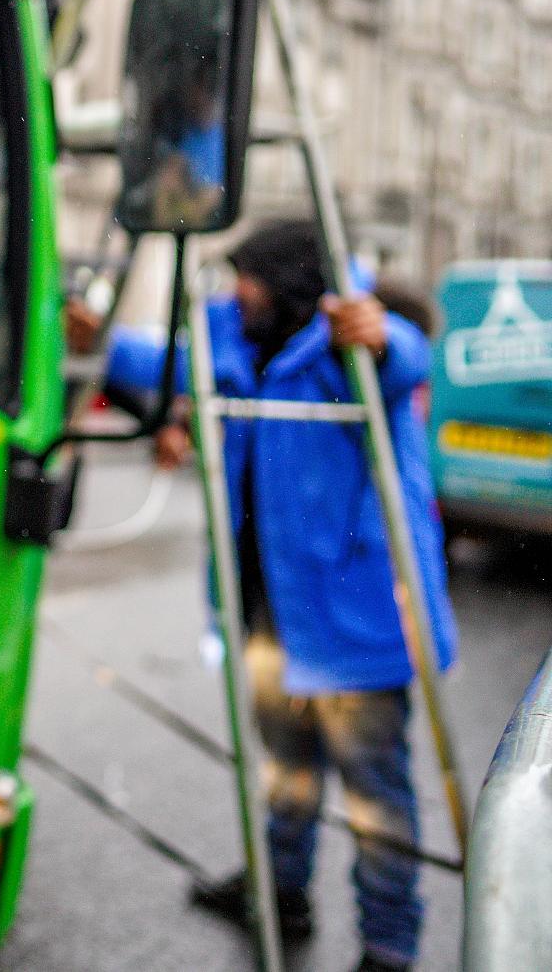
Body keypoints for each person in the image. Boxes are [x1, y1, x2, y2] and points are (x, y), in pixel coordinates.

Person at [103, 219, 456, 972]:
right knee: (285, 773)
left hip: (356, 618)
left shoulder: (347, 344)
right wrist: (91, 333)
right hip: (269, 611)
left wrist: (382, 335)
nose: (240, 291)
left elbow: (402, 358)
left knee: (376, 800)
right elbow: (156, 358)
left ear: (290, 282)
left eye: (251, 277)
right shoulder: (234, 338)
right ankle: (279, 894)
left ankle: (390, 945)